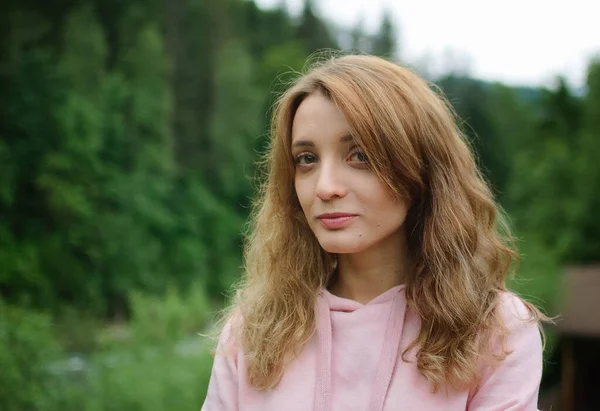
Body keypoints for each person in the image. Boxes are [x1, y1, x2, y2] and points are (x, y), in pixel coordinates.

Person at [201, 54, 550, 411]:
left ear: (420, 166)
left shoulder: (495, 329)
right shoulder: (254, 331)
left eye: (360, 156)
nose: (326, 187)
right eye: (307, 159)